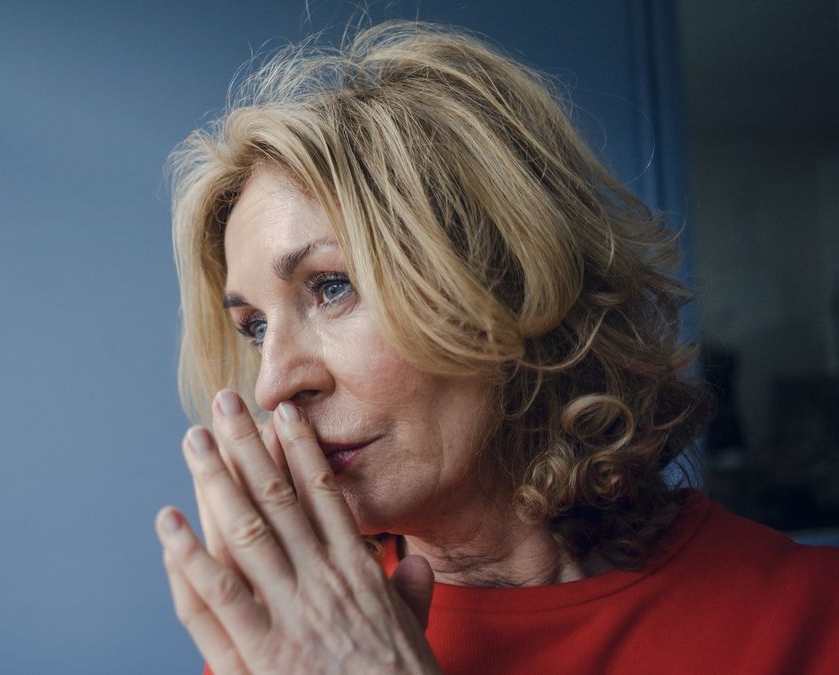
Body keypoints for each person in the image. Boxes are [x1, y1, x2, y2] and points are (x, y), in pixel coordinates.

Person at [154, 21, 839, 674]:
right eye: (255, 326)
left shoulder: (809, 618)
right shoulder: (288, 639)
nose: (273, 384)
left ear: (512, 283)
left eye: (332, 286)